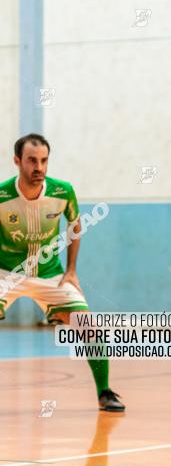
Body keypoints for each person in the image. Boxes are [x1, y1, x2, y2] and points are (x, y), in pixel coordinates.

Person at [0, 134, 124, 411]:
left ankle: (104, 392)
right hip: (6, 274)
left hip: (50, 274)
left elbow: (75, 225)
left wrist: (71, 271)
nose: (39, 167)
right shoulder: (1, 196)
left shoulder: (62, 191)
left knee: (89, 327)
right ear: (17, 161)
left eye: (44, 160)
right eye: (32, 160)